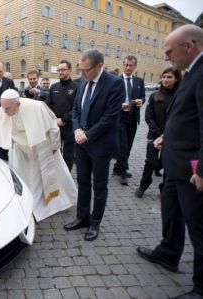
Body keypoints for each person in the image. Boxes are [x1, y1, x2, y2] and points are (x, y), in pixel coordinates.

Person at [136, 24, 203, 299]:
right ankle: (169, 252)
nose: (166, 58)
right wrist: (167, 136)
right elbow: (186, 118)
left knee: (198, 226)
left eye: (168, 51)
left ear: (189, 46)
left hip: (192, 169)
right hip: (175, 164)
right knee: (171, 211)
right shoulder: (191, 72)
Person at [0, 89, 77, 221]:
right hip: (20, 150)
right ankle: (28, 206)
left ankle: (54, 205)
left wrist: (55, 147)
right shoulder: (2, 111)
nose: (4, 112)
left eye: (8, 108)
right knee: (23, 179)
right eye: (3, 107)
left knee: (45, 178)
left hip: (41, 148)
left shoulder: (36, 107)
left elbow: (53, 128)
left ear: (18, 104)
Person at [64, 50, 125, 241]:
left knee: (99, 186)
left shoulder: (115, 83)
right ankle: (82, 217)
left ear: (99, 66)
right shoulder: (82, 81)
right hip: (81, 143)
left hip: (100, 145)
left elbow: (110, 118)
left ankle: (94, 223)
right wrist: (76, 130)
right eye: (80, 70)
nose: (82, 74)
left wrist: (87, 135)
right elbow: (75, 110)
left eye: (86, 70)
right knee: (83, 182)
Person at [134, 67, 181, 198]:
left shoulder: (180, 96)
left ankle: (164, 188)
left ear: (176, 79)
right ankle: (143, 186)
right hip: (154, 135)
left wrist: (166, 134)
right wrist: (159, 133)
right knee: (150, 161)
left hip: (172, 136)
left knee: (167, 163)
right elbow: (148, 117)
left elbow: (179, 118)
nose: (166, 80)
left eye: (169, 77)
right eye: (164, 77)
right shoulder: (155, 96)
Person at [113, 55, 146, 185]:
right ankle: (123, 171)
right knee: (122, 145)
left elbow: (143, 96)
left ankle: (117, 167)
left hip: (133, 117)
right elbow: (110, 99)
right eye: (126, 65)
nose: (128, 67)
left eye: (130, 65)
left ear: (134, 66)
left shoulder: (139, 81)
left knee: (129, 145)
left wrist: (141, 101)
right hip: (120, 117)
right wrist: (120, 105)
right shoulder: (116, 80)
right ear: (123, 65)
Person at [46, 60, 78, 171]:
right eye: (59, 70)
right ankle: (56, 174)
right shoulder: (54, 87)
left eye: (63, 70)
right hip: (55, 126)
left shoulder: (76, 87)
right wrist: (54, 119)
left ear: (69, 70)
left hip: (69, 126)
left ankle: (67, 176)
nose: (60, 72)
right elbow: (48, 105)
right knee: (55, 152)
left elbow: (76, 107)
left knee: (68, 154)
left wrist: (64, 119)